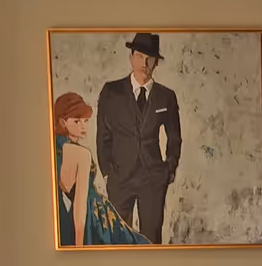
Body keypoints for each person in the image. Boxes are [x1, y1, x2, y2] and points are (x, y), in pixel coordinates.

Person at [95, 31, 181, 243]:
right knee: (117, 238)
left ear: (157, 63)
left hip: (153, 179)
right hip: (120, 178)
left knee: (151, 239)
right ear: (131, 57)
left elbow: (174, 138)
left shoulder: (166, 96)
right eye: (140, 56)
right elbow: (103, 135)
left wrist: (168, 170)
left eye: (150, 58)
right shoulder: (111, 92)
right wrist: (108, 172)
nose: (145, 62)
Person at [55, 92, 147, 247]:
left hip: (81, 216)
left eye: (85, 121)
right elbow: (80, 207)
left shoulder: (54, 152)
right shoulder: (82, 154)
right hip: (96, 217)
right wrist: (79, 248)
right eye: (77, 121)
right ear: (63, 122)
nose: (83, 125)